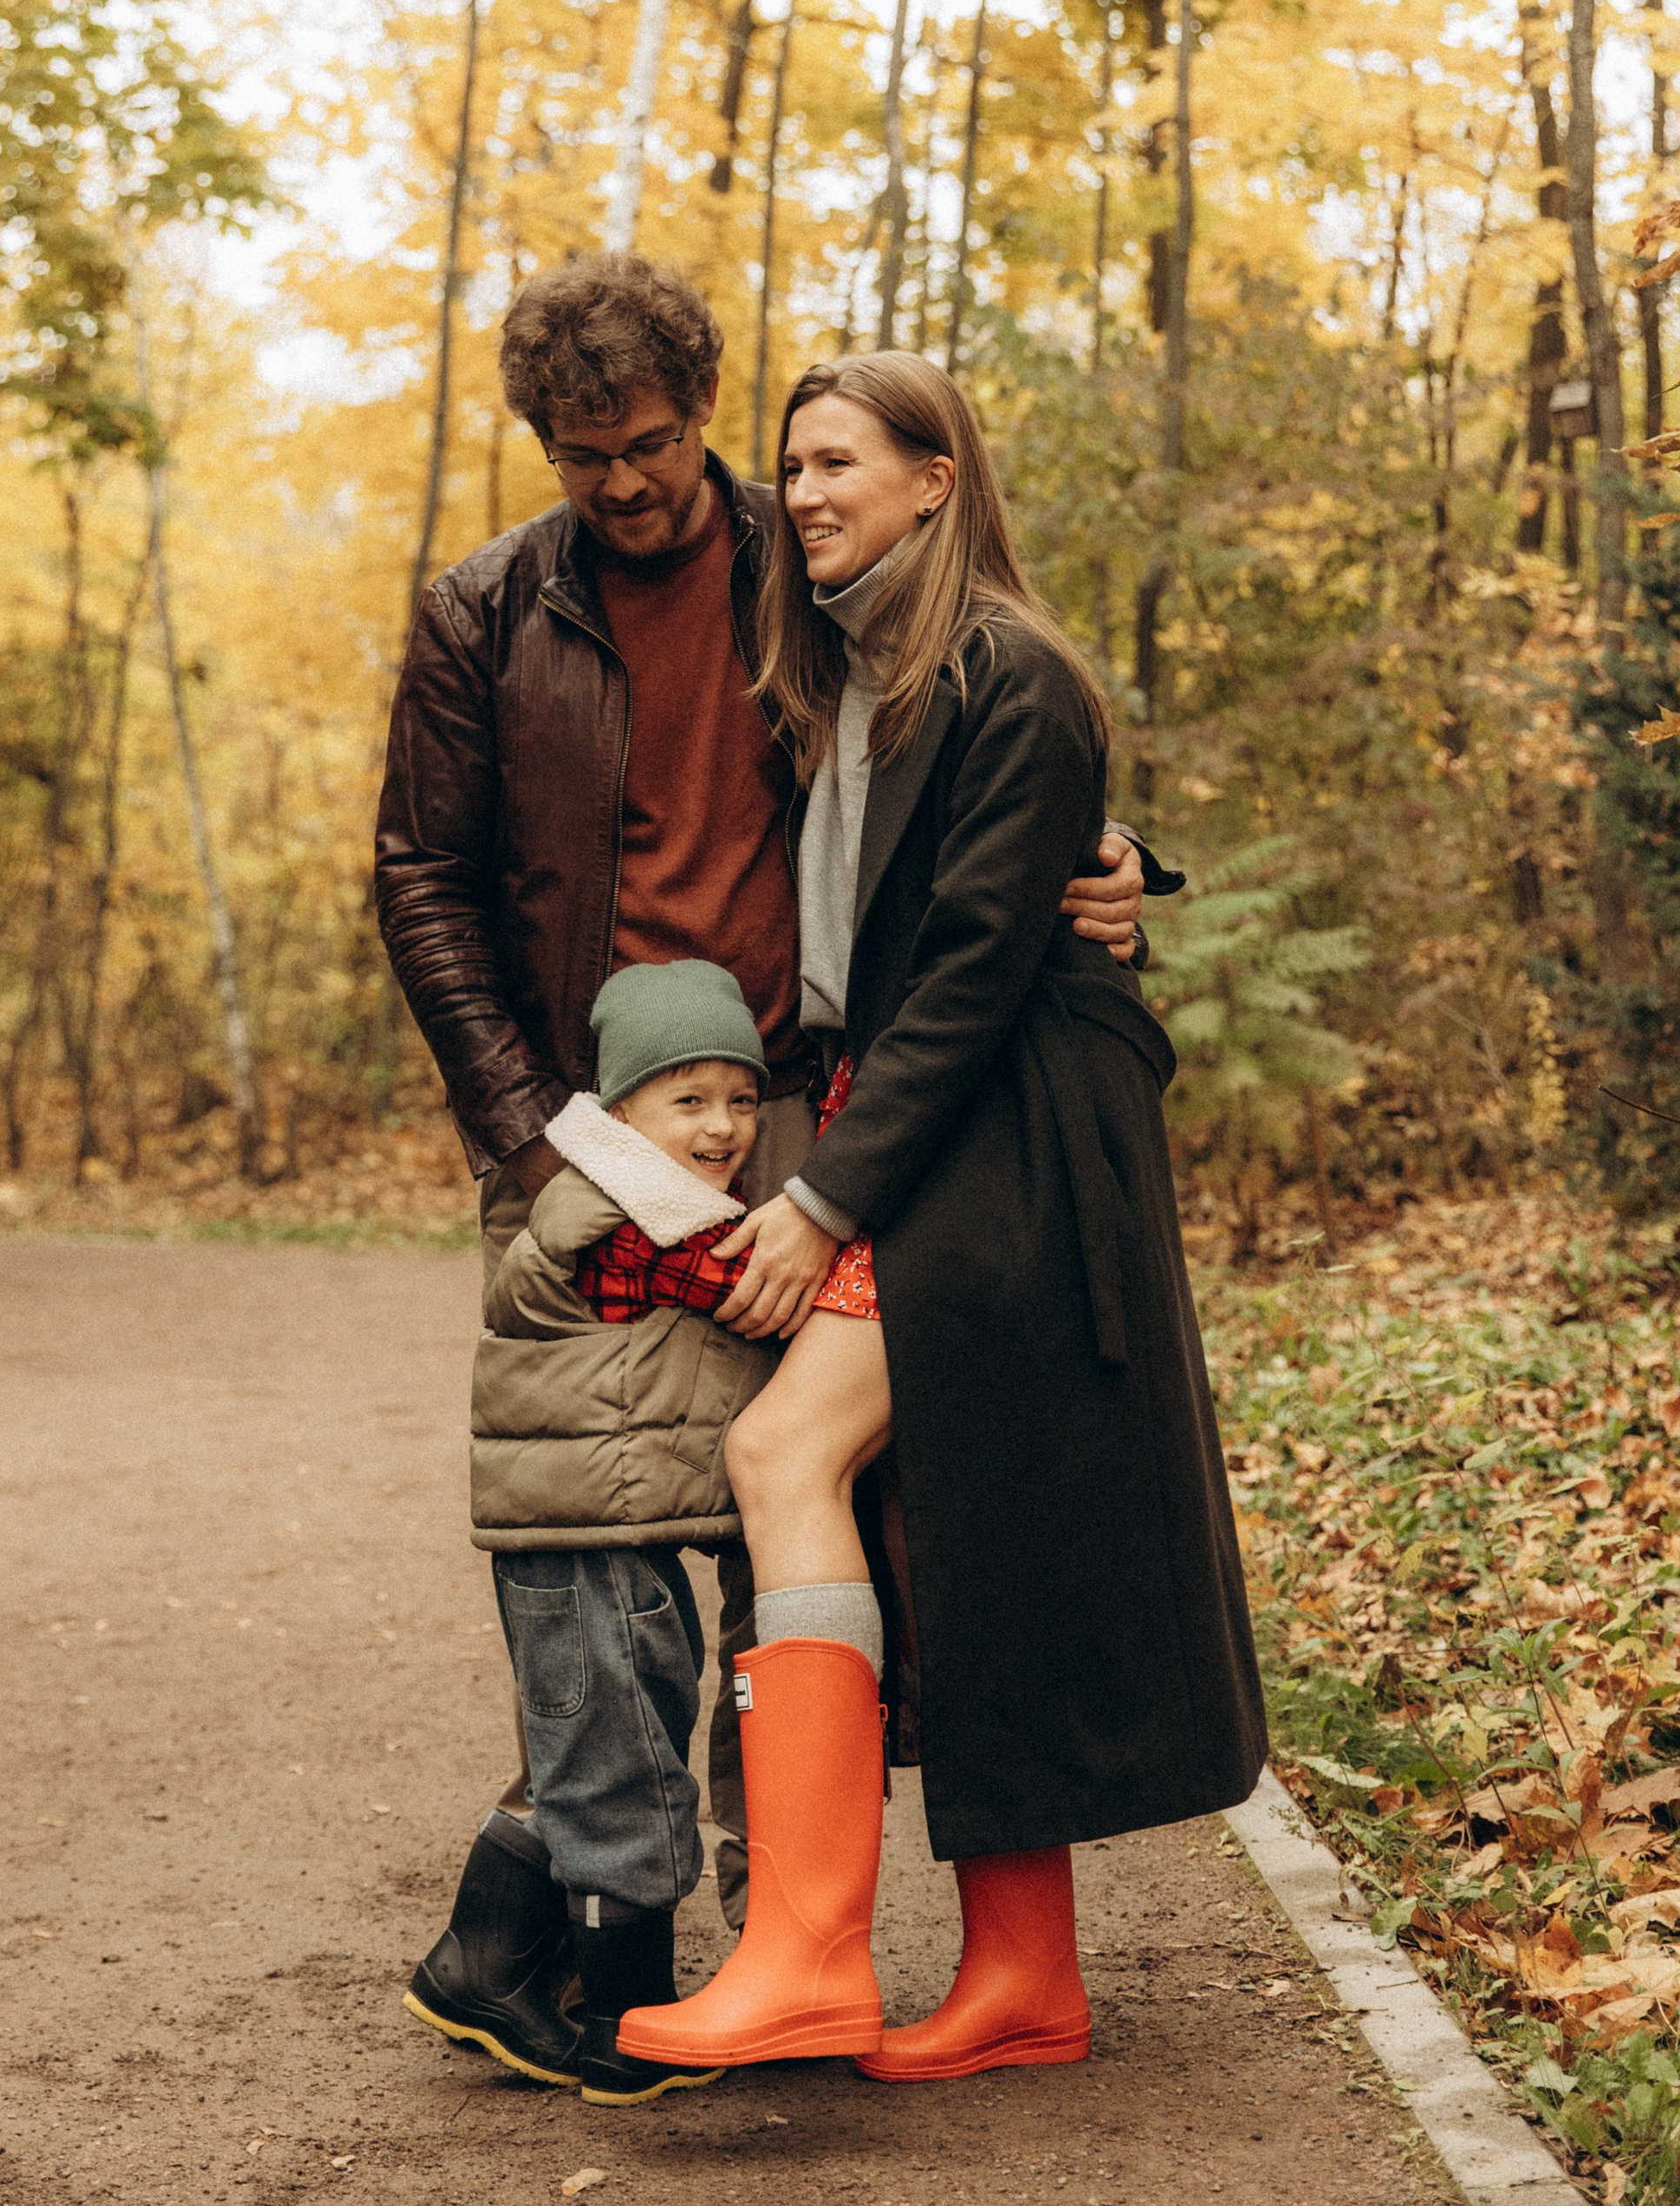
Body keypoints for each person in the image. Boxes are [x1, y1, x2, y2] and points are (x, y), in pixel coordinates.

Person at [373, 256, 1152, 2094]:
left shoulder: (802, 556)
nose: (624, 488)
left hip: (815, 1098)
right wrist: (533, 1134)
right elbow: (421, 878)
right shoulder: (487, 608)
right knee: (602, 1521)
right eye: (583, 462)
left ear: (700, 415)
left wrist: (1115, 856)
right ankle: (574, 1927)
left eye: (647, 448)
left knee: (791, 1500)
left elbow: (961, 754)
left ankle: (756, 1939)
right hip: (586, 1119)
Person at [619, 354, 1267, 2086]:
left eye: (835, 462)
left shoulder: (1013, 672)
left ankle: (809, 1953)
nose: (803, 491)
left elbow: (977, 971)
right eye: (790, 467)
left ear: (935, 479)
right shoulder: (846, 678)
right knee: (941, 1527)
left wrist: (824, 1199)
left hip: (1010, 1137)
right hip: (920, 1122)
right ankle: (1020, 1978)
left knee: (783, 1460)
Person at [411, 958, 781, 2106]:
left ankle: (483, 1967)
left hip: (598, 1525)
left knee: (610, 1744)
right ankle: (631, 2018)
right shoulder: (628, 1203)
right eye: (689, 1099)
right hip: (580, 1531)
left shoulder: (635, 1187)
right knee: (621, 1763)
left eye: (741, 1097)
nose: (722, 1127)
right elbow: (749, 1286)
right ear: (620, 1112)